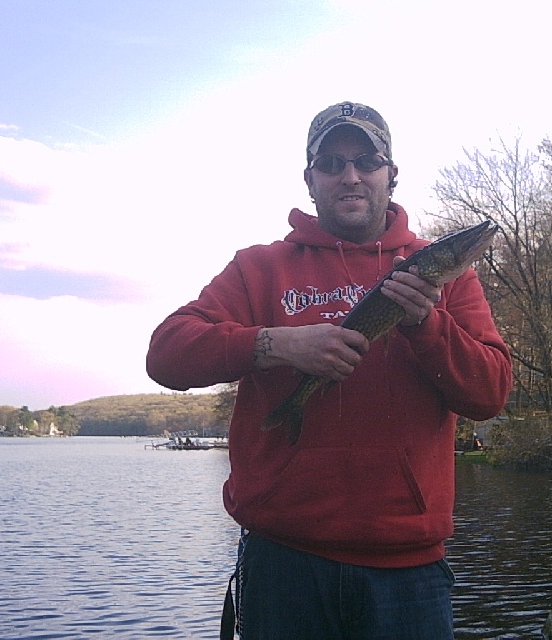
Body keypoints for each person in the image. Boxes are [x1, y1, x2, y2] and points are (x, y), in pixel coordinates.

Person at [146, 101, 512, 640]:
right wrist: (275, 344)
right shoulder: (259, 267)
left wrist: (426, 325)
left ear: (391, 174)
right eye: (332, 162)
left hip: (408, 571)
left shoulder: (446, 275)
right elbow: (167, 354)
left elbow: (491, 393)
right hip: (282, 561)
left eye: (367, 160)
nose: (351, 175)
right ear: (309, 180)